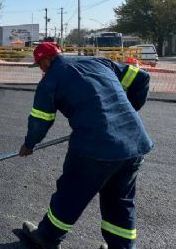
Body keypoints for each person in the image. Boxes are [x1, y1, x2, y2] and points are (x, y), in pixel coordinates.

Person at [19, 42, 153, 249]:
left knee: (71, 194)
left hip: (95, 148)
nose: (41, 69)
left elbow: (40, 120)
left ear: (46, 60)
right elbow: (142, 78)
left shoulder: (50, 81)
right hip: (134, 142)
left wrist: (29, 144)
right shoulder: (98, 62)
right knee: (120, 200)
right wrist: (128, 113)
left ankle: (47, 237)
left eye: (40, 65)